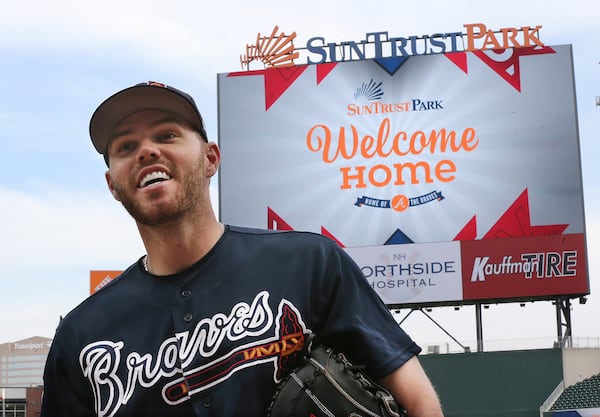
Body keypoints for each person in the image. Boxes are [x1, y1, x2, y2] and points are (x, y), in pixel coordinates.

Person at [41, 81, 444, 417]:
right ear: (112, 184)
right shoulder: (82, 337)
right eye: (126, 147)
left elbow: (418, 400)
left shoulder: (309, 264)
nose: (147, 151)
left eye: (167, 135)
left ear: (211, 158)